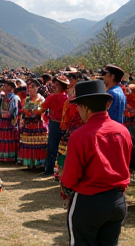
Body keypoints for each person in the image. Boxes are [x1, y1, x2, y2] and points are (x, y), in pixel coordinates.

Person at [61, 79, 132, 246]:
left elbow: (71, 177)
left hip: (89, 202)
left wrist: (64, 186)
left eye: (78, 106)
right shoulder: (123, 131)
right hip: (118, 201)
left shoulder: (80, 135)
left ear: (85, 107)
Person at [41, 75, 69, 174]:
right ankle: (61, 170)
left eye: (56, 84)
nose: (54, 86)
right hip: (65, 125)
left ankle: (50, 169)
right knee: (63, 148)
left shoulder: (52, 97)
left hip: (54, 124)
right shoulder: (68, 98)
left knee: (52, 147)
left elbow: (42, 108)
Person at [17, 78, 48, 168]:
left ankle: (37, 162)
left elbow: (42, 110)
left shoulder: (41, 99)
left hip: (37, 124)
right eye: (29, 87)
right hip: (28, 124)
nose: (30, 89)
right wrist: (27, 112)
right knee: (28, 143)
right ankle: (29, 162)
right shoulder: (27, 99)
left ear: (37, 88)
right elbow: (23, 109)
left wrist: (34, 112)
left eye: (32, 87)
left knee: (37, 143)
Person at [0, 79, 21, 161]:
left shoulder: (15, 98)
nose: (4, 87)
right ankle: (2, 155)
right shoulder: (2, 98)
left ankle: (10, 156)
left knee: (10, 138)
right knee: (3, 137)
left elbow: (16, 110)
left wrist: (14, 120)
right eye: (4, 85)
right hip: (3, 121)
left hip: (10, 122)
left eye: (6, 85)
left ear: (11, 87)